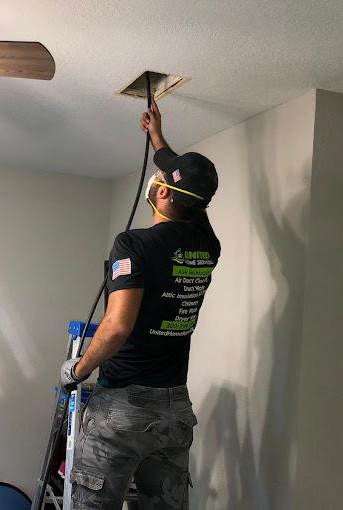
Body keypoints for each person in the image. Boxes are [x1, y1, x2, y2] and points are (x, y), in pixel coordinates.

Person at [60, 99, 221, 509]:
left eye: (162, 177)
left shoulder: (134, 244)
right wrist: (158, 139)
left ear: (162, 191)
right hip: (175, 409)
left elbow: (117, 327)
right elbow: (191, 191)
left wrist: (77, 370)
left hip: (125, 407)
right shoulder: (208, 243)